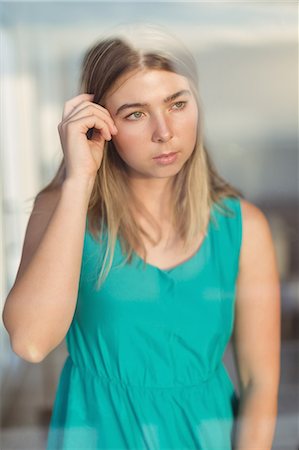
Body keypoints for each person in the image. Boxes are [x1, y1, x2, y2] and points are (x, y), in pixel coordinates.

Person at [2, 24, 280, 450]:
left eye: (177, 104)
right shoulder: (63, 211)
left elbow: (259, 382)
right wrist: (79, 180)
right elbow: (30, 342)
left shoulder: (244, 228)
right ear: (100, 123)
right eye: (135, 113)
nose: (164, 131)